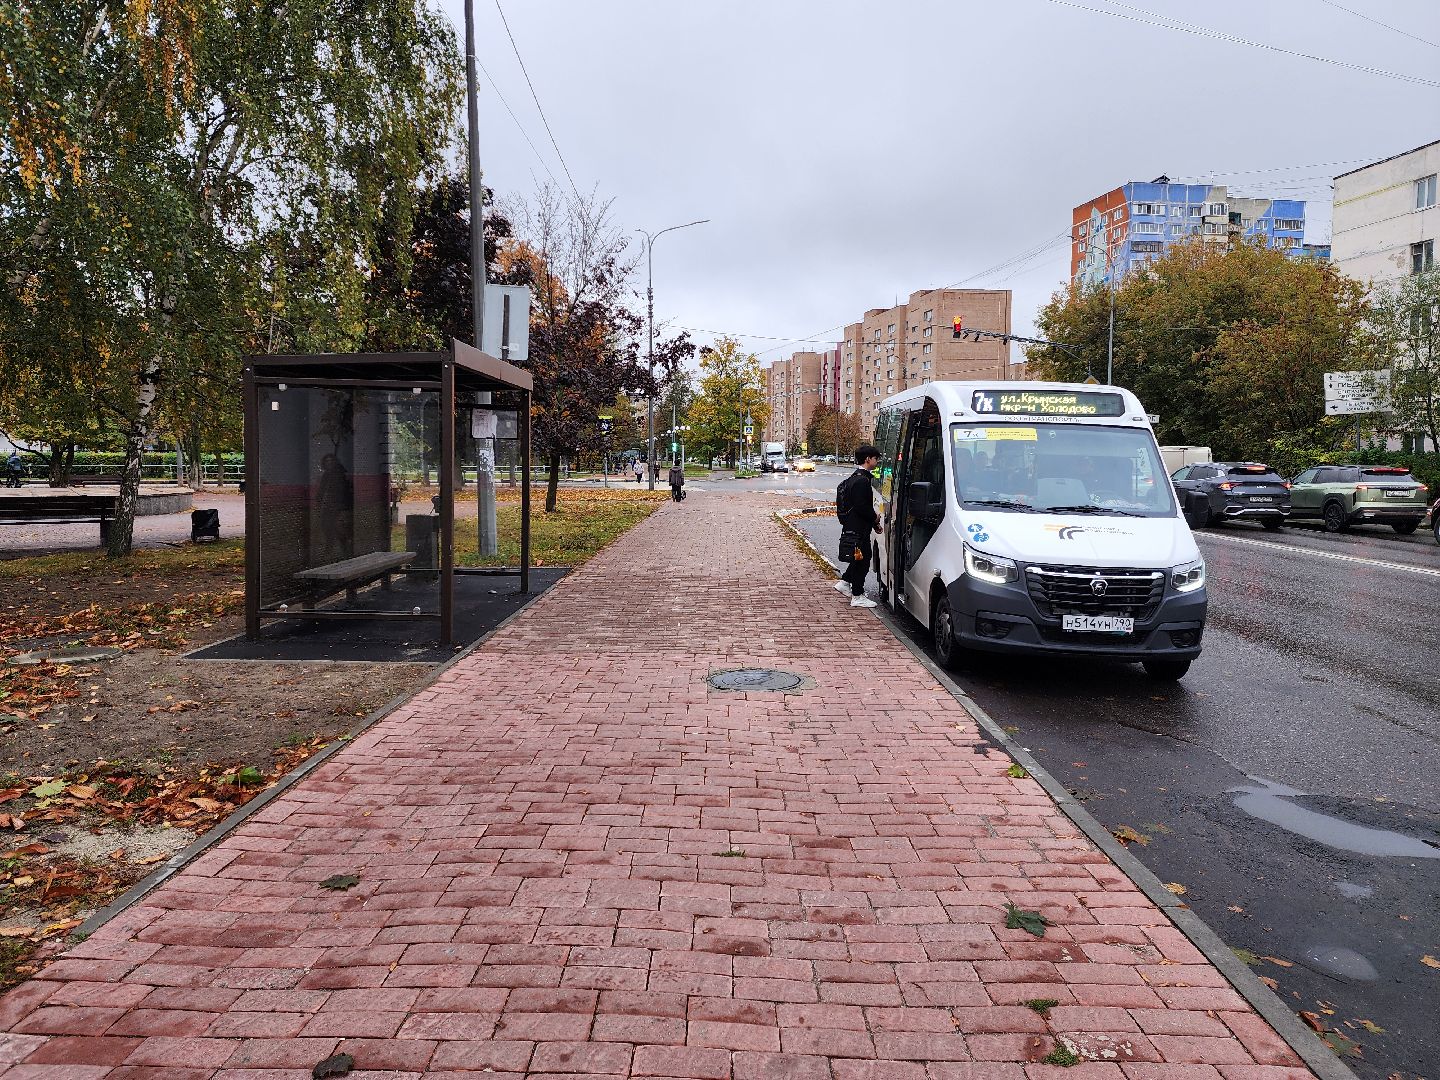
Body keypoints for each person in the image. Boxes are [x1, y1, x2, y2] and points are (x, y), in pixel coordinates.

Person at [834, 444, 882, 608]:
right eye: (875, 459)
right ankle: (857, 595)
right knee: (863, 560)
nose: (877, 462)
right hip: (859, 529)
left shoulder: (855, 477)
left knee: (860, 557)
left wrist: (874, 524)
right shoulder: (862, 481)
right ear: (868, 459)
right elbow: (862, 506)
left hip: (854, 526)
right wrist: (875, 518)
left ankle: (845, 583)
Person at [316, 453, 353, 559]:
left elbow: (345, 491)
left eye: (331, 461)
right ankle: (330, 547)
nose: (329, 463)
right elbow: (322, 490)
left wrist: (343, 506)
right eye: (327, 461)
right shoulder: (326, 475)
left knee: (339, 528)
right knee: (326, 526)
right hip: (329, 505)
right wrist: (319, 499)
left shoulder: (340, 474)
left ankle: (344, 549)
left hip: (340, 506)